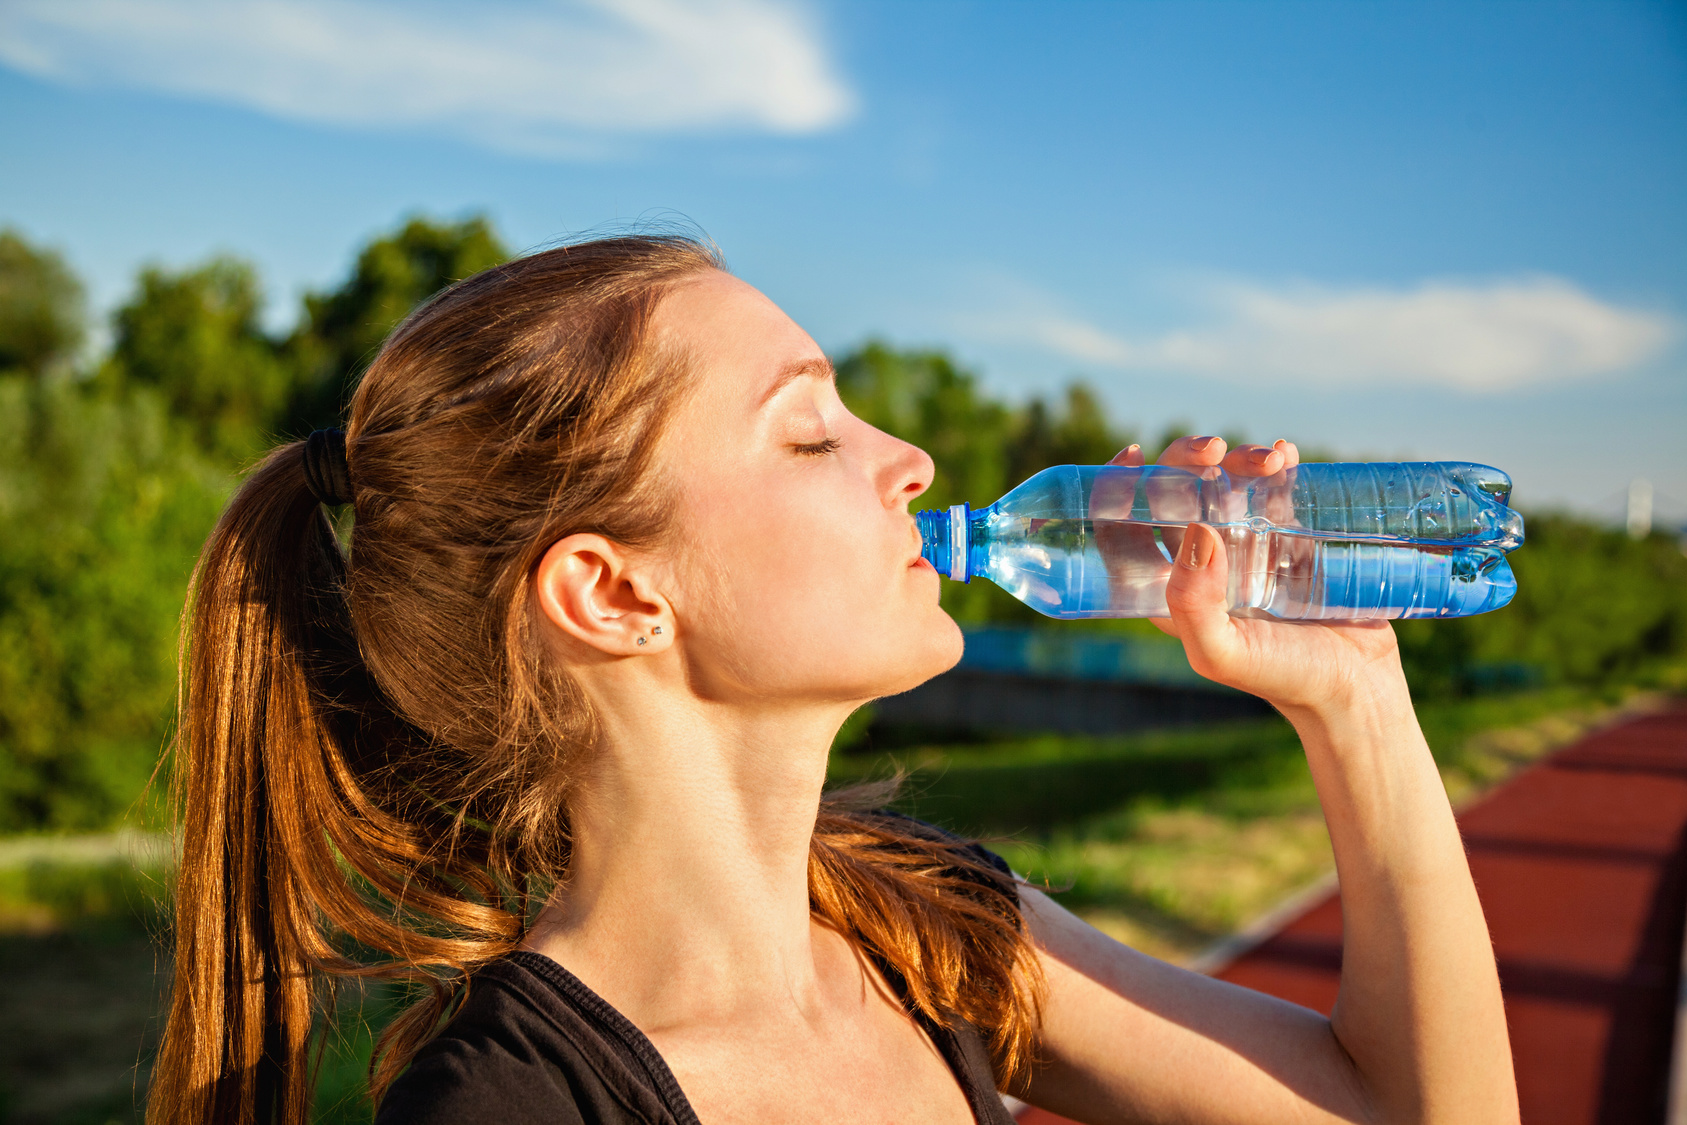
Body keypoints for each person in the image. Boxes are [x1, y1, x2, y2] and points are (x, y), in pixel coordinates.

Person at [148, 236, 1518, 1125]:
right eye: (808, 433)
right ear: (614, 593)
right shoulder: (520, 1109)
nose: (908, 456)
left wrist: (1356, 700)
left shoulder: (929, 927)